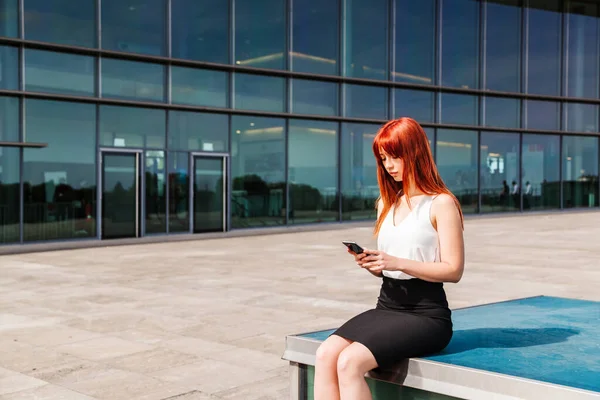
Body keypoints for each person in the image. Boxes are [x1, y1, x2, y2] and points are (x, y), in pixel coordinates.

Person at [314, 117, 465, 400]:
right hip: (387, 304)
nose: (389, 165)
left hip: (426, 314)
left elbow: (453, 270)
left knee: (349, 363)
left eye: (395, 156)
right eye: (384, 158)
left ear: (416, 153)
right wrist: (374, 264)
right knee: (324, 354)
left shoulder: (441, 203)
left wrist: (396, 262)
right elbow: (391, 267)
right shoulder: (387, 202)